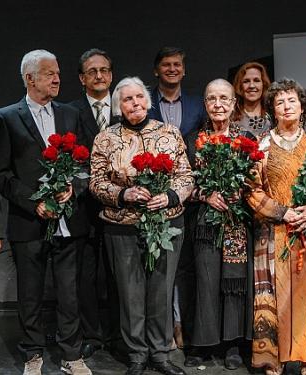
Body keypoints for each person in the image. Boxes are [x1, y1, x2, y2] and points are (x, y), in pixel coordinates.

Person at [0, 49, 92, 375]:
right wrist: (34, 202)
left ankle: (71, 354)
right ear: (29, 78)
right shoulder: (6, 117)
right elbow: (1, 174)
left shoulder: (70, 114)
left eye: (58, 72)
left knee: (69, 294)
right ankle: (32, 353)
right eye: (49, 73)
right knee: (30, 295)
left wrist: (72, 187)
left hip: (68, 221)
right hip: (29, 221)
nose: (57, 78)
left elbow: (83, 165)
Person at [89, 76, 193, 375]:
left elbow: (186, 176)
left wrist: (169, 196)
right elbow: (96, 182)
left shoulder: (170, 133)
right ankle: (136, 353)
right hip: (121, 226)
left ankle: (160, 353)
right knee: (130, 293)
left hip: (166, 223)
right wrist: (124, 193)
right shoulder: (105, 138)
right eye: (126, 99)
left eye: (138, 97)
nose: (134, 103)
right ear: (118, 106)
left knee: (161, 290)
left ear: (147, 101)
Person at [246, 78, 306, 375]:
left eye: (292, 101)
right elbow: (251, 190)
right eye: (280, 102)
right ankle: (274, 358)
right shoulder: (261, 143)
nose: (287, 107)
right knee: (276, 293)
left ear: (302, 107)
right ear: (273, 109)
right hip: (273, 232)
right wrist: (283, 213)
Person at [182, 79, 254, 370]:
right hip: (205, 221)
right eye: (212, 99)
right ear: (205, 104)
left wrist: (243, 189)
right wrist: (205, 194)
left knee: (233, 282)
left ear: (234, 103)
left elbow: (258, 180)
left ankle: (233, 344)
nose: (218, 105)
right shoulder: (193, 140)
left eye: (224, 98)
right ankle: (202, 343)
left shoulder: (246, 138)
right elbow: (185, 183)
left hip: (237, 221)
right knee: (205, 281)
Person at [148, 46, 207, 350]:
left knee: (184, 267)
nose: (172, 69)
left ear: (183, 70)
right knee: (159, 268)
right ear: (157, 70)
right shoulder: (145, 103)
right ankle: (164, 329)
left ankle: (182, 325)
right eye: (166, 65)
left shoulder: (198, 106)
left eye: (177, 65)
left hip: (190, 198)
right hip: (153, 198)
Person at [68, 48, 121, 359]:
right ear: (82, 78)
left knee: (118, 275)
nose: (99, 75)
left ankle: (118, 333)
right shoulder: (71, 112)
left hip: (121, 209)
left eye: (104, 70)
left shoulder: (127, 105)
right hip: (84, 210)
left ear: (111, 75)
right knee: (85, 277)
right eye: (92, 71)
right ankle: (92, 334)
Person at [232, 62, 272, 140]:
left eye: (256, 80)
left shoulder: (274, 115)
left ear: (263, 84)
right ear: (239, 86)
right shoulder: (230, 117)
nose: (251, 86)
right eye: (246, 81)